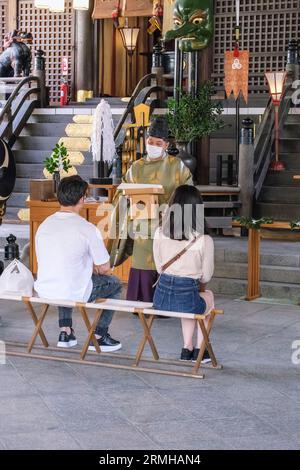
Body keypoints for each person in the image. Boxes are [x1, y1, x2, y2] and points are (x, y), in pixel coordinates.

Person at [109, 116, 193, 304]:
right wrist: (129, 197)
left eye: (158, 142)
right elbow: (121, 193)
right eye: (150, 141)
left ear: (166, 144)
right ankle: (142, 301)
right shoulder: (136, 167)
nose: (153, 145)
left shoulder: (177, 166)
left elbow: (189, 193)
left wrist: (171, 210)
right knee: (142, 263)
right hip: (142, 226)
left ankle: (166, 303)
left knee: (166, 263)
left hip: (168, 224)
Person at [34, 175, 122, 352]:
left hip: (44, 288)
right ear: (82, 199)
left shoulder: (44, 225)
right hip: (72, 290)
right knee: (116, 285)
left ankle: (65, 332)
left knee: (68, 276)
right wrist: (96, 269)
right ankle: (99, 336)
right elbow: (105, 268)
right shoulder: (87, 228)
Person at [153, 185, 215, 363]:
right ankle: (200, 350)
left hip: (161, 299)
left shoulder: (159, 233)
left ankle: (186, 347)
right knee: (208, 297)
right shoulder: (204, 239)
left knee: (190, 303)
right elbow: (206, 276)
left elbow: (159, 269)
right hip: (187, 298)